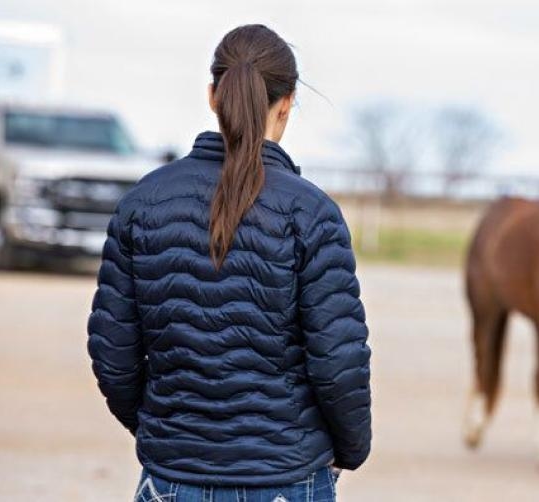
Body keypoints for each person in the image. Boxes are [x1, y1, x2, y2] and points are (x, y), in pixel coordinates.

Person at [87, 25, 371, 502]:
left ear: (213, 96)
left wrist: (167, 434)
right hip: (288, 478)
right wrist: (350, 449)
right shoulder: (312, 212)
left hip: (172, 478)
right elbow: (338, 361)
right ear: (287, 103)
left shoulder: (142, 203)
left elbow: (113, 354)